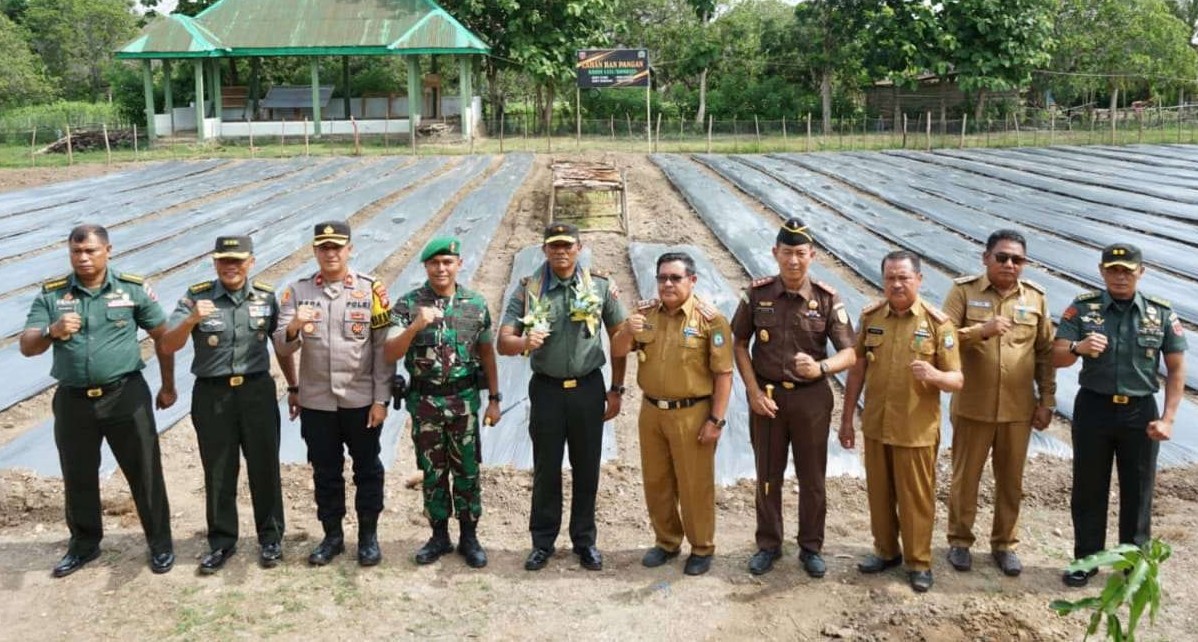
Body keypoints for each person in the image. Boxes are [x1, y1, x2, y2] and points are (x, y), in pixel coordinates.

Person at [20, 224, 177, 577]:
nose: (84, 258)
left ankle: (160, 543)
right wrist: (51, 331)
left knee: (145, 470)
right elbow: (27, 344)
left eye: (91, 250)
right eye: (77, 252)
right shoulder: (53, 295)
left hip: (125, 394)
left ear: (108, 250)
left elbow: (162, 338)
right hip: (74, 400)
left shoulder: (132, 289)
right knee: (78, 475)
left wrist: (168, 387)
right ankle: (84, 545)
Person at [497, 222, 631, 572]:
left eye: (567, 245)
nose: (560, 251)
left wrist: (616, 389)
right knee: (546, 469)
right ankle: (542, 542)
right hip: (547, 391)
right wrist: (524, 342)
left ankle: (584, 542)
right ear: (544, 250)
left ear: (579, 248)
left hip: (588, 389)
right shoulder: (529, 290)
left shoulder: (600, 287)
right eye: (554, 245)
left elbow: (620, 337)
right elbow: (503, 341)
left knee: (587, 468)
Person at [159, 235, 297, 573]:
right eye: (224, 260)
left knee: (264, 466)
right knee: (219, 469)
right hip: (213, 395)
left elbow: (280, 346)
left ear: (251, 261)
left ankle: (271, 539)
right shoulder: (196, 297)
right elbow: (167, 344)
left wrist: (293, 386)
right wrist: (191, 320)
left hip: (257, 392)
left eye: (238, 260)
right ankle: (222, 541)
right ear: (214, 262)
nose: (231, 266)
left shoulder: (266, 297)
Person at [1053, 243, 1186, 587]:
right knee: (1088, 487)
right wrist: (1076, 348)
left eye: (1127, 270)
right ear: (1101, 271)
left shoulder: (1161, 314)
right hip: (1094, 409)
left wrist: (1168, 418)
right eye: (1113, 270)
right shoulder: (1083, 309)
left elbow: (1175, 369)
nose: (1120, 276)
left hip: (1140, 413)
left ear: (1141, 272)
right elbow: (1056, 356)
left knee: (1139, 489)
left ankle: (1133, 564)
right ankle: (1086, 559)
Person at [730, 219, 856, 578]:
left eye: (801, 254)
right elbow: (738, 342)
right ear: (775, 254)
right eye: (787, 253)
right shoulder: (757, 294)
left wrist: (821, 368)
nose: (794, 261)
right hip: (767, 399)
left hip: (811, 401)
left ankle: (811, 546)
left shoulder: (828, 298)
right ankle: (769, 544)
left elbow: (850, 352)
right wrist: (753, 392)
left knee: (812, 478)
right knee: (767, 475)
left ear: (812, 255)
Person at [840, 250, 963, 593]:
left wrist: (935, 374)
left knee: (915, 500)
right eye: (890, 278)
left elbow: (957, 380)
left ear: (919, 280)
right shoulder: (872, 318)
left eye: (904, 278)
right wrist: (847, 419)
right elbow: (857, 369)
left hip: (916, 430)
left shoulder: (938, 324)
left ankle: (919, 562)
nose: (896, 284)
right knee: (879, 495)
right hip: (877, 426)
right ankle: (886, 551)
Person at [273, 221, 392, 567]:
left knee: (368, 469)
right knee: (325, 471)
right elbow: (281, 344)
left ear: (349, 249)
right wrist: (295, 324)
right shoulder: (297, 291)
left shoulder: (371, 289)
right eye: (323, 247)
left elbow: (383, 350)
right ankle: (333, 536)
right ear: (315, 251)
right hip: (317, 402)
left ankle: (368, 536)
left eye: (337, 247)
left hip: (360, 401)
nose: (331, 253)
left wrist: (381, 400)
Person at [942, 230, 1055, 577]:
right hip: (972, 405)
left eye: (1016, 259)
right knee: (965, 478)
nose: (1009, 264)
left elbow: (1045, 353)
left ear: (1024, 264)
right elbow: (942, 338)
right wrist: (980, 331)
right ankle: (960, 542)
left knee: (1011, 481)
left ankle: (1005, 544)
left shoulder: (1035, 299)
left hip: (1017, 410)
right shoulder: (963, 291)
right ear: (986, 258)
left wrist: (1047, 399)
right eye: (1002, 257)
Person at [384, 237, 501, 569]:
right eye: (435, 263)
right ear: (426, 267)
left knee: (467, 471)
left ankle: (469, 536)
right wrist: (416, 325)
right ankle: (438, 535)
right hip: (426, 404)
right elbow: (389, 353)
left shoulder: (475, 304)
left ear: (458, 264)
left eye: (447, 262)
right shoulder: (408, 305)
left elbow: (487, 354)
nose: (441, 268)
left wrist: (494, 398)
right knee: (433, 472)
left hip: (464, 403)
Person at [630, 251, 734, 576]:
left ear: (692, 280)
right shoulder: (645, 315)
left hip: (692, 412)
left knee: (694, 483)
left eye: (675, 278)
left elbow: (724, 374)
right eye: (662, 278)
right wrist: (625, 328)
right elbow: (619, 350)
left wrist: (715, 420)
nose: (668, 284)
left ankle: (701, 547)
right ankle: (666, 542)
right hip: (652, 411)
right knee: (656, 481)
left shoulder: (710, 320)